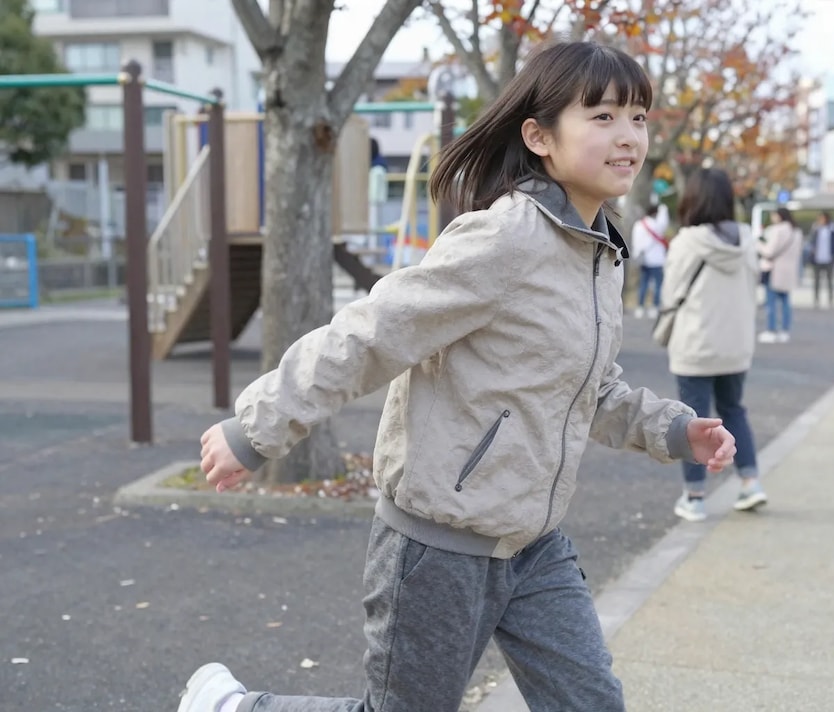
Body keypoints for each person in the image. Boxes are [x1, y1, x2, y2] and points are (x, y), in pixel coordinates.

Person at [177, 41, 737, 712]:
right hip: (437, 546)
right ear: (539, 137)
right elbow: (373, 333)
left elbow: (588, 386)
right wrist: (258, 427)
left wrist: (676, 430)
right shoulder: (506, 240)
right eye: (603, 116)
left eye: (639, 118)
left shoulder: (598, 254)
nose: (628, 137)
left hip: (532, 544)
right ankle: (234, 708)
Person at [660, 168, 766, 523]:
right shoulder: (748, 240)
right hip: (736, 344)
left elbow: (671, 294)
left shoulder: (687, 242)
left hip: (695, 345)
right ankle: (751, 482)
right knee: (734, 410)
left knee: (695, 421)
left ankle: (695, 496)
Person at [757, 206, 803, 344]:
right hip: (789, 271)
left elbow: (769, 251)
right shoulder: (797, 232)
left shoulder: (777, 231)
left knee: (770, 302)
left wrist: (758, 244)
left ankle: (771, 330)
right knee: (785, 302)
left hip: (774, 269)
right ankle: (785, 330)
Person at [631, 202, 670, 318]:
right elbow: (664, 222)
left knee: (643, 283)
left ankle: (640, 307)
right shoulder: (657, 225)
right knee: (658, 284)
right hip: (657, 259)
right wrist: (664, 207)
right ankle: (654, 307)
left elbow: (635, 242)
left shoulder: (638, 225)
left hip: (643, 259)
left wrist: (637, 254)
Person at [810, 211, 834, 308]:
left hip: (829, 258)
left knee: (830, 280)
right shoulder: (816, 229)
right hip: (817, 258)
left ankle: (831, 299)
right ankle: (816, 299)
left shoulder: (832, 229)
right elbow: (812, 242)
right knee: (816, 281)